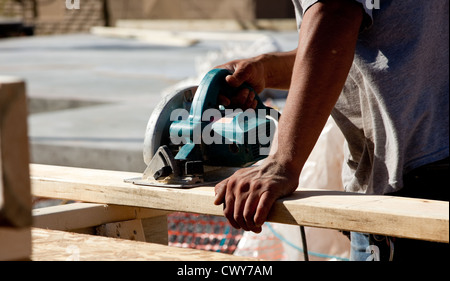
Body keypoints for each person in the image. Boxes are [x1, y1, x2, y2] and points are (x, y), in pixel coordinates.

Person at [213, 0, 449, 261]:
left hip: (416, 184)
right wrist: (265, 71)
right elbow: (352, 48)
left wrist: (282, 161)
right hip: (429, 163)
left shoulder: (336, 14)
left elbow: (335, 15)